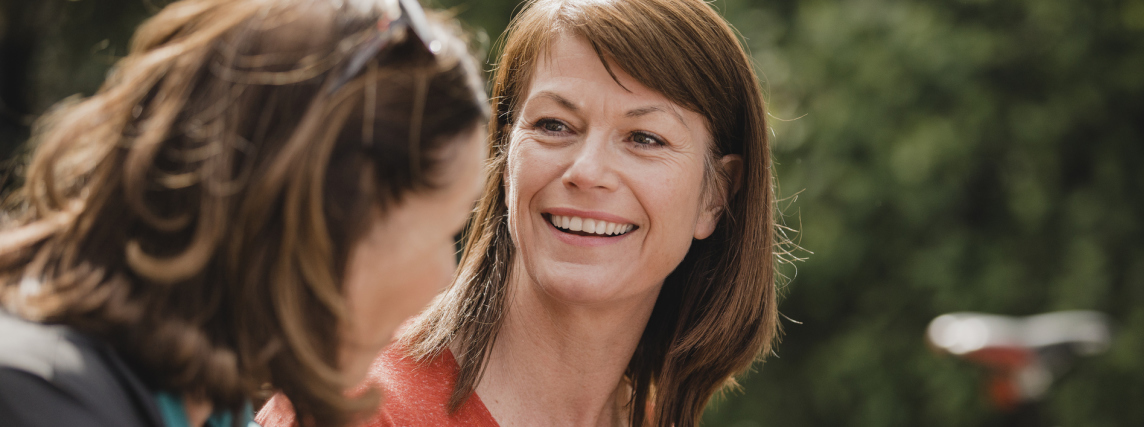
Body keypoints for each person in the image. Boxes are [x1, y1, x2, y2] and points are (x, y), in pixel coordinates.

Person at [260, 0, 789, 425]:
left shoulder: (652, 416)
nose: (587, 170)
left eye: (644, 138)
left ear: (716, 195)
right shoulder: (351, 411)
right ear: (505, 157)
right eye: (554, 125)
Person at [0, 0, 488, 426]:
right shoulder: (36, 402)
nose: (443, 279)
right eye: (446, 229)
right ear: (318, 212)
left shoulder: (205, 406)